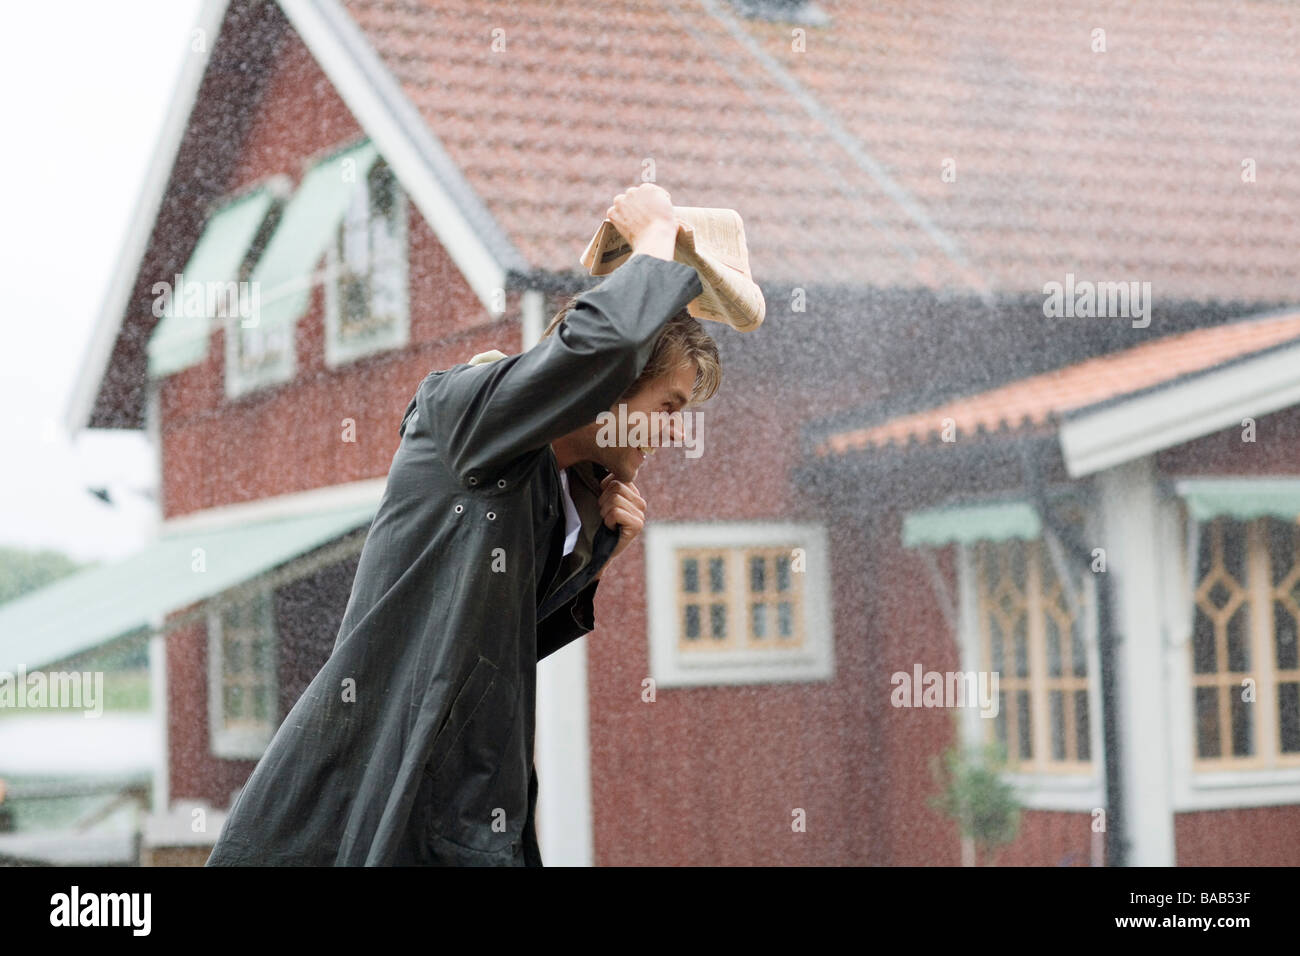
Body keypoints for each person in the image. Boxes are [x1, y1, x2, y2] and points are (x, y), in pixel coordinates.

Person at [205, 183, 723, 865]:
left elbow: (489, 656)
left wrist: (593, 555)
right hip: (374, 803)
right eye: (670, 405)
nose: (675, 433)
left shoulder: (559, 497)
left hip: (467, 822)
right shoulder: (461, 418)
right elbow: (605, 341)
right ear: (613, 384)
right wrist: (653, 237)